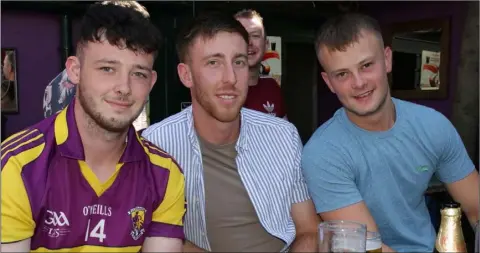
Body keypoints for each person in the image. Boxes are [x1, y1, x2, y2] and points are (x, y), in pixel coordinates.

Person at [1, 1, 186, 252]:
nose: (124, 87)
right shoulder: (19, 165)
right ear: (75, 71)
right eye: (107, 68)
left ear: (151, 82)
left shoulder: (164, 174)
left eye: (139, 73)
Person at [301, 13, 479, 252]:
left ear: (387, 60)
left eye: (366, 66)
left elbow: (476, 207)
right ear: (329, 82)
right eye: (342, 74)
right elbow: (369, 248)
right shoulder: (323, 153)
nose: (358, 83)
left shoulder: (433, 126)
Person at [141, 12, 318, 252]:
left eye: (239, 62)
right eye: (214, 62)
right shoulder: (155, 145)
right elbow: (153, 235)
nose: (231, 78)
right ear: (186, 75)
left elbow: (307, 230)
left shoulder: (282, 136)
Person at [234, 9, 288, 120]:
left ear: (266, 45)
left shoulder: (272, 87)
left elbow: (284, 134)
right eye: (242, 35)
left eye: (255, 35)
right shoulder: (221, 89)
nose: (249, 42)